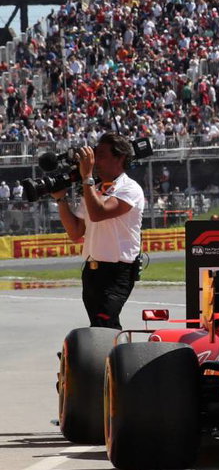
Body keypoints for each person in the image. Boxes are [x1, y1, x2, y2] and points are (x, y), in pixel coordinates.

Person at [53, 133, 146, 329]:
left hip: (117, 270)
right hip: (92, 270)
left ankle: (111, 357)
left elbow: (98, 213)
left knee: (105, 323)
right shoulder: (94, 189)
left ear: (120, 158)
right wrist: (61, 199)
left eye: (101, 155)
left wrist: (86, 177)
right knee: (98, 325)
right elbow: (76, 232)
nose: (95, 160)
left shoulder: (130, 189)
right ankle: (101, 358)